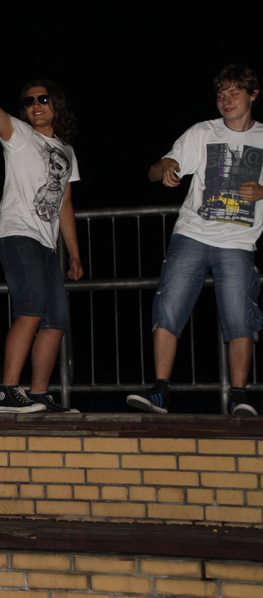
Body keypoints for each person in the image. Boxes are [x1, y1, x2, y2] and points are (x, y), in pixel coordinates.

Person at [128, 64, 263, 417]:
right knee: (168, 306)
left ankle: (239, 397)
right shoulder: (202, 131)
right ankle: (160, 391)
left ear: (253, 95)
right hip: (192, 233)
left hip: (238, 241)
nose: (226, 100)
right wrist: (166, 168)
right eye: (221, 94)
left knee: (240, 316)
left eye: (235, 92)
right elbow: (155, 169)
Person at [0, 24, 84, 414]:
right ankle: (7, 390)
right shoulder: (18, 135)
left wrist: (74, 253)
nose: (35, 105)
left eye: (43, 99)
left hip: (47, 243)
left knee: (56, 320)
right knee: (31, 307)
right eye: (29, 100)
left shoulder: (66, 151)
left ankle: (37, 394)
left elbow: (65, 203)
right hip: (17, 233)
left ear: (56, 105)